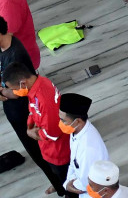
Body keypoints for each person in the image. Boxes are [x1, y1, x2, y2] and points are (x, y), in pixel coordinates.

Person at [0, 16, 61, 193]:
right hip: (14, 110)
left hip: (26, 110)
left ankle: (62, 184)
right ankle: (56, 182)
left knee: (42, 150)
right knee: (35, 152)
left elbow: (18, 90)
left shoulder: (15, 53)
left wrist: (3, 92)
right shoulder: (3, 48)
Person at [1, 63, 70, 195]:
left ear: (23, 83)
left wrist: (33, 134)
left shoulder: (43, 99)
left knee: (68, 185)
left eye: (14, 89)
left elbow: (53, 133)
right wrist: (29, 126)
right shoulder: (39, 84)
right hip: (52, 149)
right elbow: (33, 111)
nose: (15, 92)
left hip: (58, 152)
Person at [59, 93, 110, 196]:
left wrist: (70, 185)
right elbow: (73, 163)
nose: (60, 123)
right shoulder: (75, 131)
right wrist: (68, 182)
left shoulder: (88, 148)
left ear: (77, 121)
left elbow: (85, 183)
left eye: (63, 120)